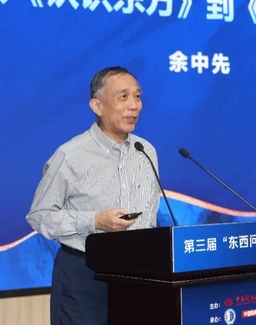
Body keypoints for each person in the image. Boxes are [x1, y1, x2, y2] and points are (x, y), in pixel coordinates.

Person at [26, 66, 162, 325]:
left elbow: (149, 217)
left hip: (136, 275)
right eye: (123, 97)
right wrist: (95, 221)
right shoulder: (71, 155)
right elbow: (40, 216)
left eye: (137, 96)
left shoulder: (145, 151)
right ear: (97, 106)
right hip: (84, 276)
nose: (134, 105)